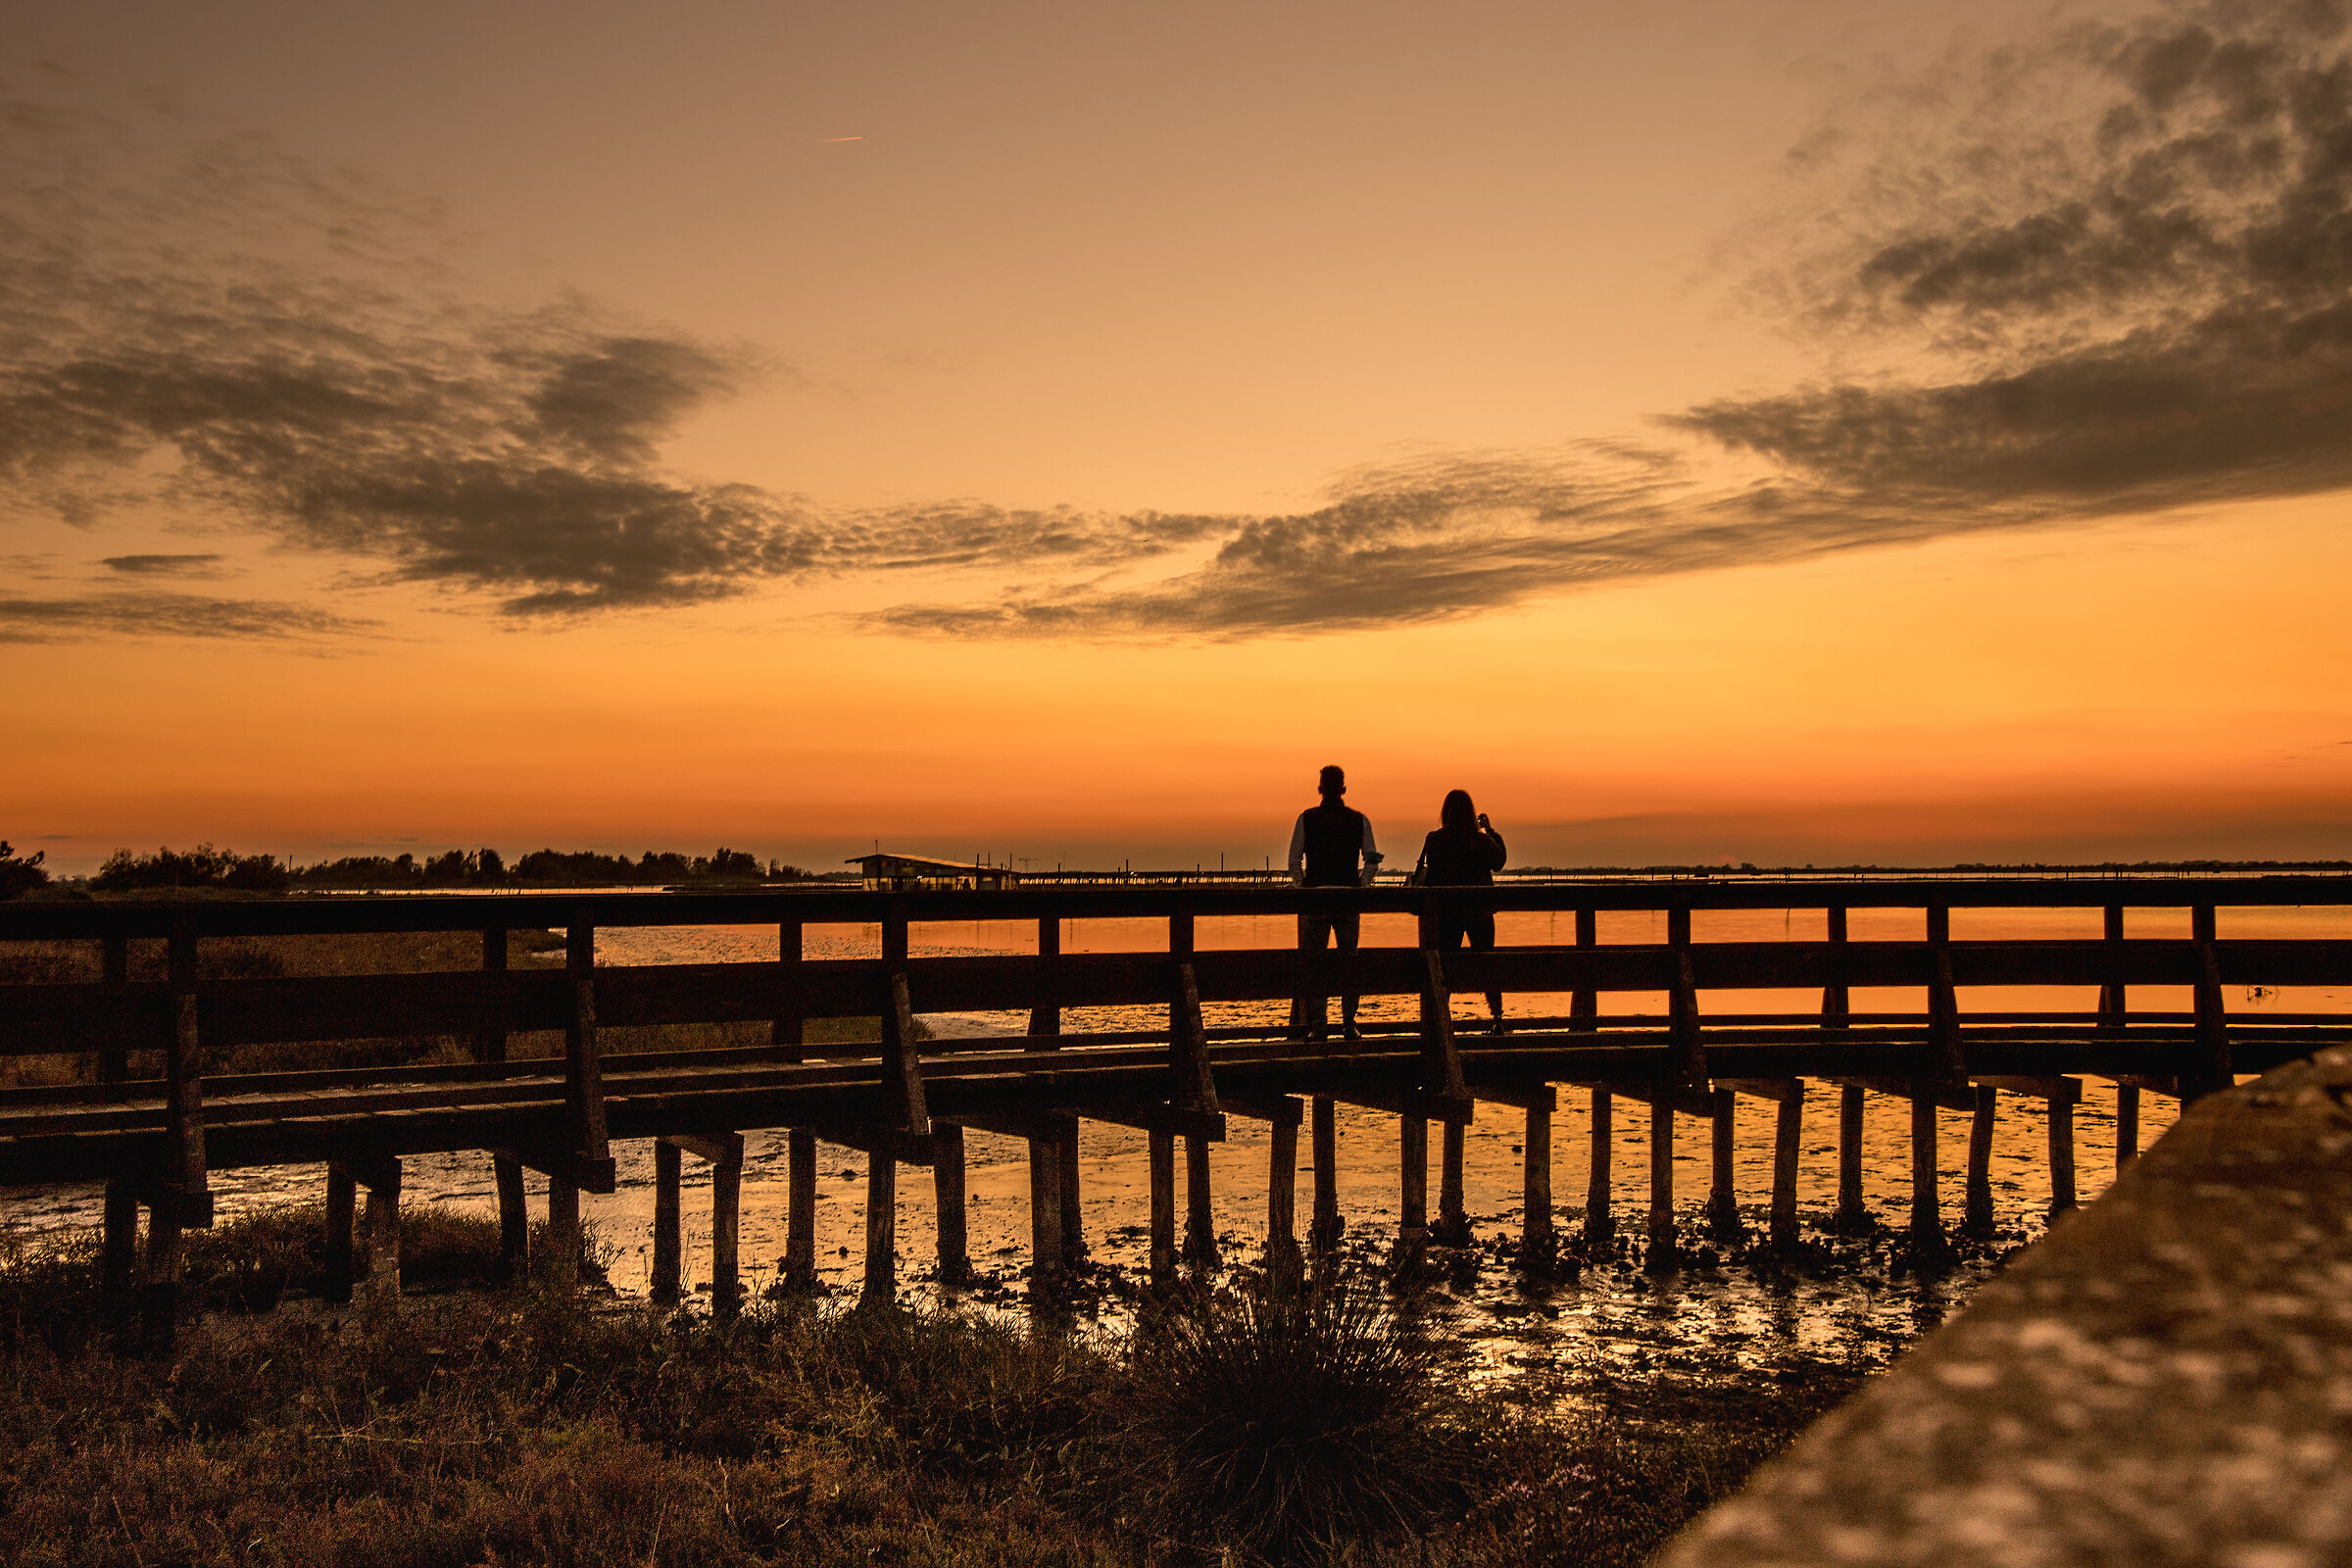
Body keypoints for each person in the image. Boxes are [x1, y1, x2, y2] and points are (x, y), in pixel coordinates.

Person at [1287, 764, 1381, 1039]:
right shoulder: (1358, 819)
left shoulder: (1307, 818)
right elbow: (1372, 860)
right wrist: (1361, 885)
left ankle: (1319, 1026)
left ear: (1319, 789)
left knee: (1316, 964)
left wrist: (1304, 888)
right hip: (1348, 899)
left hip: (1316, 899)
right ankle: (1349, 1024)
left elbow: (1294, 861)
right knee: (1349, 962)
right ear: (1343, 789)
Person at [1414, 788, 1507, 1031]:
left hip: (1448, 914)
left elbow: (1430, 875)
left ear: (1446, 812)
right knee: (1487, 964)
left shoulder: (1435, 840)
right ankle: (1497, 1018)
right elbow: (1499, 862)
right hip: (1480, 913)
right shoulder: (1481, 841)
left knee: (1446, 967)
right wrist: (1490, 830)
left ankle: (1440, 1020)